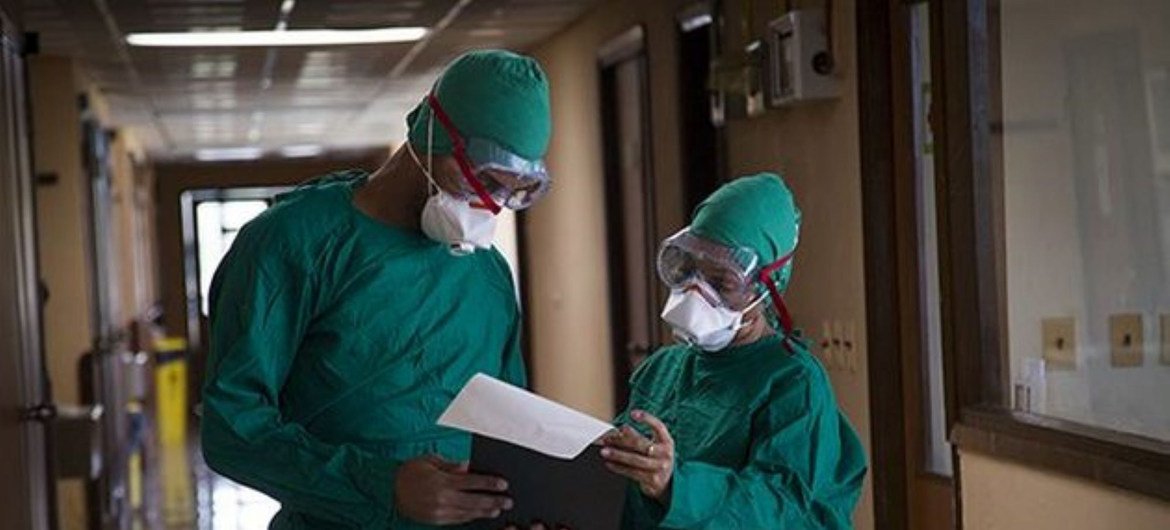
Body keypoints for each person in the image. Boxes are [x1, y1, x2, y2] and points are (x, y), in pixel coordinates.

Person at [200, 49, 552, 529]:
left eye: (514, 191)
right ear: (430, 133)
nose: (491, 206)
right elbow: (231, 427)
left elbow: (511, 436)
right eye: (484, 179)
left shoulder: (487, 275)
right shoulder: (296, 243)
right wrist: (379, 485)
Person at [601, 173, 868, 529]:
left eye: (721, 282)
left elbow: (780, 506)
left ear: (767, 288)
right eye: (689, 270)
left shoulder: (793, 381)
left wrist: (677, 487)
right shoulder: (662, 369)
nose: (697, 292)